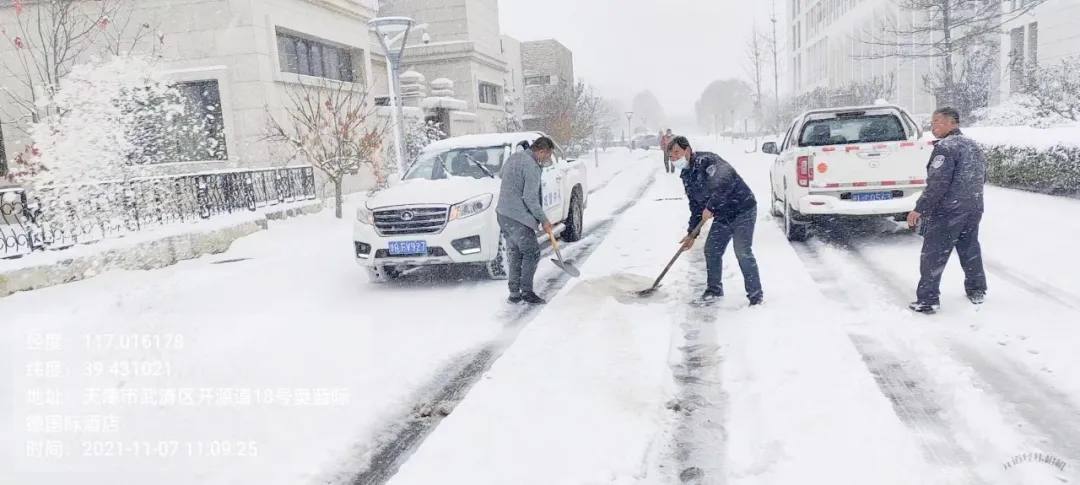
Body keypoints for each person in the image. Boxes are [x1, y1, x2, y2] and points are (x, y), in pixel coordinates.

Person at [906, 107, 988, 314]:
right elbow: (981, 177)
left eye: (938, 122)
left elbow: (938, 183)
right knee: (970, 248)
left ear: (953, 124)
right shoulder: (973, 146)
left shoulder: (945, 148)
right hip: (973, 207)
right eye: (932, 122)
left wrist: (920, 208)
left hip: (948, 210)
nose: (934, 126)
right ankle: (977, 290)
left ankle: (927, 300)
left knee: (933, 254)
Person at [668, 136, 763, 305]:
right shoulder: (687, 175)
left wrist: (711, 206)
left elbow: (724, 182)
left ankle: (755, 296)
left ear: (687, 151)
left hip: (743, 209)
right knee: (712, 250)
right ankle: (714, 290)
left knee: (742, 251)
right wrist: (691, 234)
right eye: (671, 156)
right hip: (723, 215)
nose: (674, 158)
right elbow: (695, 206)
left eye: (677, 153)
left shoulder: (707, 161)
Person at [496, 136, 556, 305]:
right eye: (548, 155)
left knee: (515, 252)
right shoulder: (532, 167)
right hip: (518, 217)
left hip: (503, 214)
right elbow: (530, 198)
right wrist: (544, 220)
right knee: (531, 253)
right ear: (541, 151)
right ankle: (527, 292)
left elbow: (502, 175)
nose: (548, 159)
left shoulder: (514, 157)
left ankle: (514, 293)